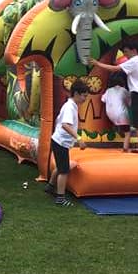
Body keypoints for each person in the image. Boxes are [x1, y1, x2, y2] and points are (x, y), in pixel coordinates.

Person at [90, 40, 138, 154]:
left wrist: (97, 64)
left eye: (126, 52)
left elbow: (115, 69)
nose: (125, 55)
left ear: (134, 50)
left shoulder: (133, 61)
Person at [45, 79, 89, 207]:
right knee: (64, 171)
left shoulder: (72, 105)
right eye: (84, 96)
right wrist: (79, 138)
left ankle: (50, 186)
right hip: (60, 143)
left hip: (59, 141)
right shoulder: (70, 107)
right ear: (76, 93)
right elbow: (65, 125)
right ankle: (60, 198)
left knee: (62, 166)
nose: (85, 99)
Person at [101, 71, 132, 152]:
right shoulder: (124, 90)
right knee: (128, 132)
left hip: (110, 114)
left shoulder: (108, 91)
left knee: (120, 124)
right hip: (122, 115)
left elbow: (103, 99)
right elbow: (129, 103)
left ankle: (118, 128)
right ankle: (125, 148)